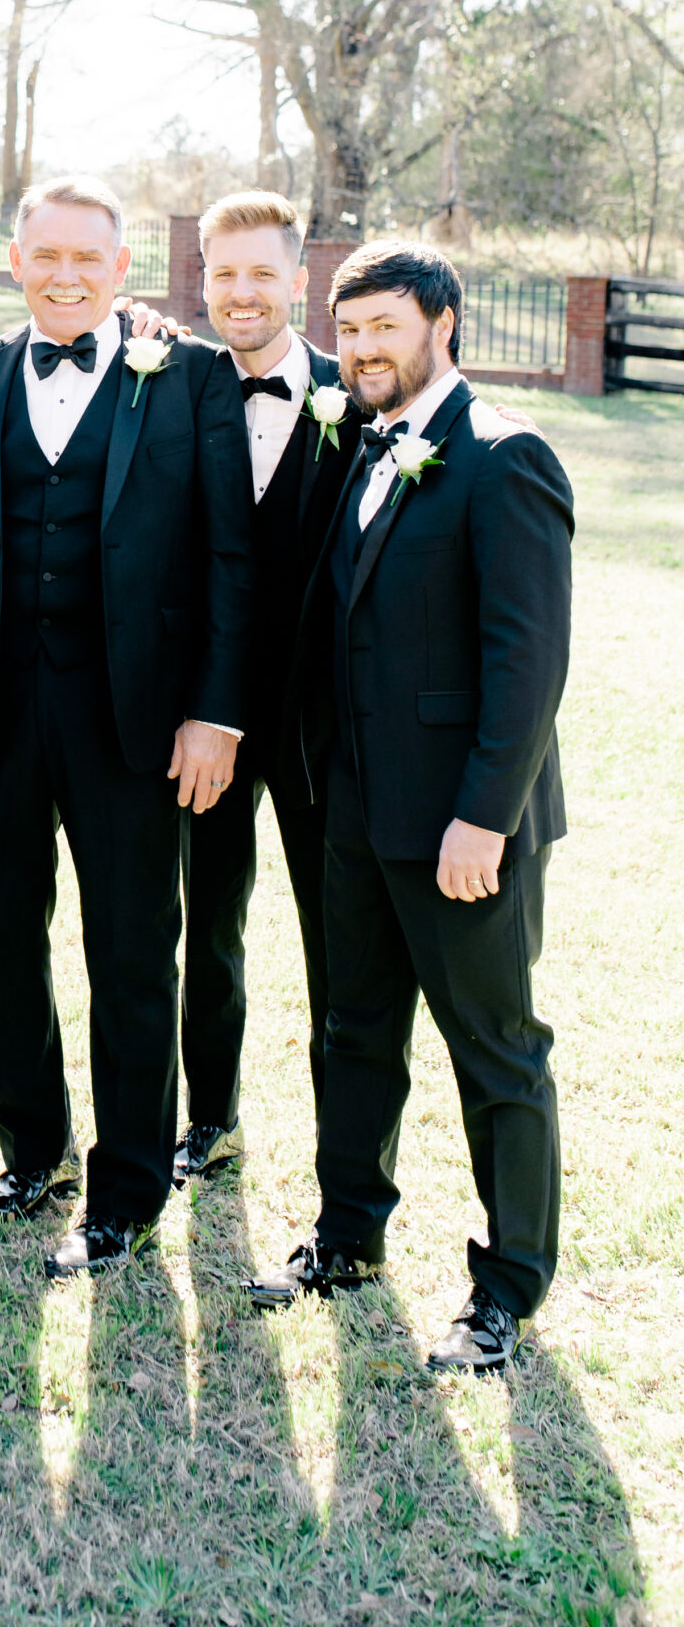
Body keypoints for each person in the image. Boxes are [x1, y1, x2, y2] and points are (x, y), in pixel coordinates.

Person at [248, 244, 573, 1375]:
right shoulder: (360, 438)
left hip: (461, 830)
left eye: (387, 325)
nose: (365, 347)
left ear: (444, 320)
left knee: (494, 1051)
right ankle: (347, 1239)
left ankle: (508, 1289)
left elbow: (526, 662)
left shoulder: (503, 457)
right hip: (355, 811)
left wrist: (485, 817)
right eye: (351, 329)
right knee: (351, 1031)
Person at [0, 176, 254, 1278]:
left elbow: (231, 556)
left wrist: (217, 710)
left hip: (136, 721)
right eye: (48, 254)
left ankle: (128, 1185)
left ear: (124, 270)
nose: (67, 273)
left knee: (132, 950)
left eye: (90, 256)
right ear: (16, 260)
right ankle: (34, 1147)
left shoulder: (190, 377)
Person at [175, 191, 360, 1186]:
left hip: (326, 730)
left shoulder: (355, 401)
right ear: (202, 283)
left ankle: (347, 1139)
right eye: (223, 274)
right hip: (204, 720)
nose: (241, 293)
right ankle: (210, 1119)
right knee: (207, 922)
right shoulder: (168, 389)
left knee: (340, 941)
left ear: (298, 283)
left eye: (261, 274)